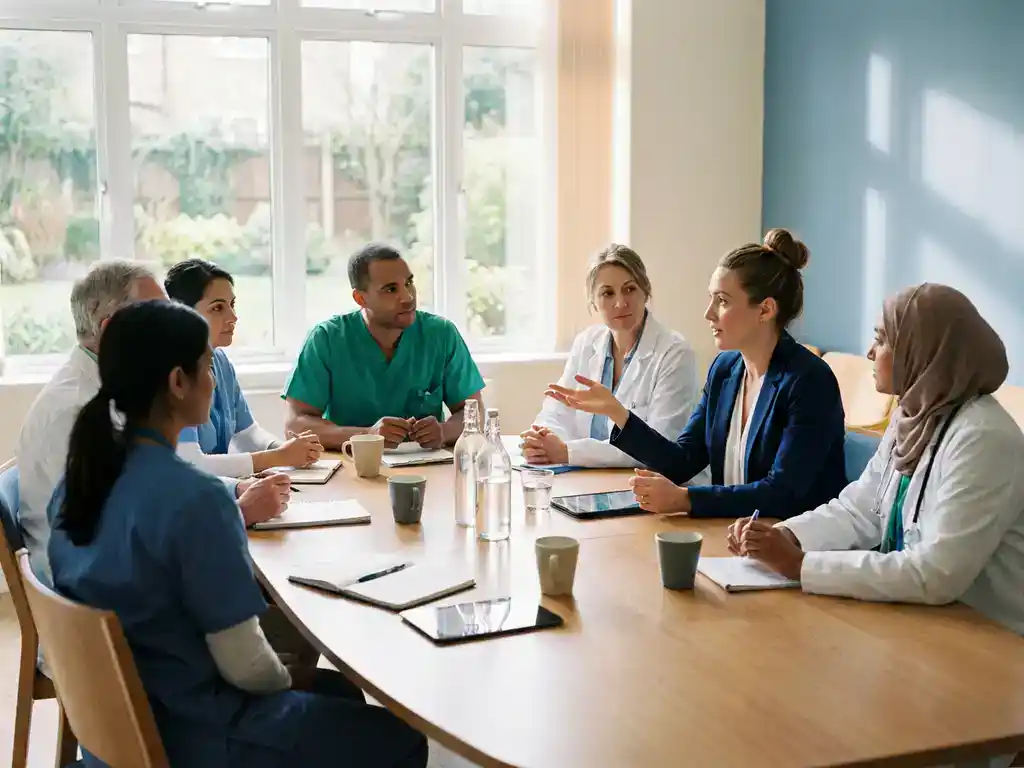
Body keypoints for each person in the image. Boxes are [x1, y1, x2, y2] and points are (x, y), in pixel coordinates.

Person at [47, 300, 429, 768]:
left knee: (339, 692)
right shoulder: (199, 500)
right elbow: (248, 667)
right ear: (178, 381)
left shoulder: (78, 481)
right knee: (401, 738)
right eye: (208, 366)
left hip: (122, 725)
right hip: (196, 734)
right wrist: (289, 683)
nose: (215, 378)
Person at [733, 284, 1024, 636]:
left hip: (986, 638)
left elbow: (936, 573)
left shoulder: (982, 437)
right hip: (921, 620)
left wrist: (801, 565)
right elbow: (860, 509)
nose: (870, 352)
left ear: (923, 350)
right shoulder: (913, 414)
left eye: (883, 339)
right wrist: (785, 536)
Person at [545, 229, 847, 519]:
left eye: (723, 301)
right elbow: (682, 461)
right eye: (711, 298)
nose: (709, 313)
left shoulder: (809, 381)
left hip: (796, 547)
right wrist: (617, 413)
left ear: (765, 310)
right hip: (736, 533)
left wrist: (687, 499)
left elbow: (783, 493)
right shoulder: (725, 370)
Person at [16, 261, 289, 581]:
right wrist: (237, 513)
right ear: (112, 329)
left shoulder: (115, 387)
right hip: (93, 599)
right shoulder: (75, 410)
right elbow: (122, 533)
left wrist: (234, 490)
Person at [284, 243, 485, 450]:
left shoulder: (441, 334)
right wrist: (367, 435)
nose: (408, 297)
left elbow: (473, 412)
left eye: (409, 283)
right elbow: (295, 424)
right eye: (391, 289)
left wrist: (444, 431)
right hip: (352, 466)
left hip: (426, 467)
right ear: (360, 298)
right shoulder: (326, 339)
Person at [523, 244, 702, 469]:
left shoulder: (674, 354)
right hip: (595, 481)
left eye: (629, 289)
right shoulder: (587, 343)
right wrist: (543, 441)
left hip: (654, 486)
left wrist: (567, 452)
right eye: (608, 293)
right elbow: (557, 410)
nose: (620, 303)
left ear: (645, 290)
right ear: (593, 301)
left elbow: (661, 446)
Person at [165, 259, 323, 477]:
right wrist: (278, 457)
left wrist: (291, 451)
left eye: (232, 305)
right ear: (181, 311)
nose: (233, 317)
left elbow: (246, 433)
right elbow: (190, 463)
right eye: (218, 308)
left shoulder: (220, 361)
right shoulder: (171, 374)